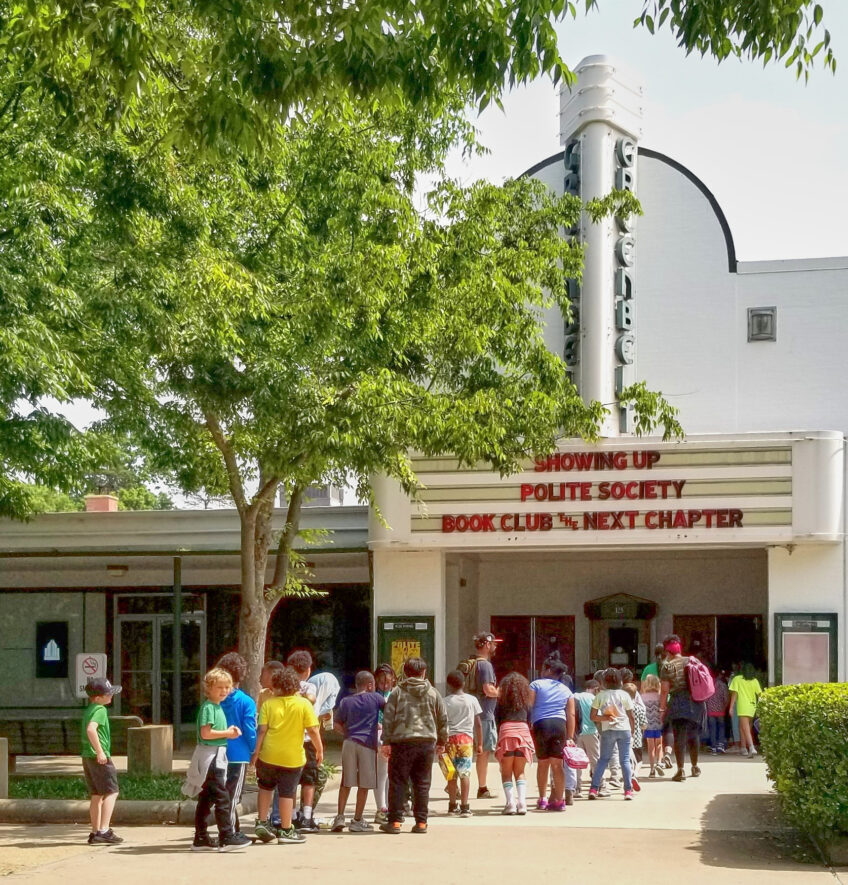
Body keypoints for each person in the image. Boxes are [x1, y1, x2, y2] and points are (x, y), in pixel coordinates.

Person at [252, 665, 323, 845]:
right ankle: (286, 830)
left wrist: (256, 752)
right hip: (292, 758)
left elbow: (262, 730)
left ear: (275, 686)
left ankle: (262, 822)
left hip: (268, 755)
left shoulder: (268, 704)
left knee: (265, 787)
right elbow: (313, 730)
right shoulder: (303, 704)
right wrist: (319, 750)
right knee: (287, 792)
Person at [380, 656, 448, 835]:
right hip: (426, 743)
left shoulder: (397, 692)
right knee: (422, 783)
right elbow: (442, 718)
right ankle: (421, 823)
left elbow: (388, 718)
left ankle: (395, 822)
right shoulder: (433, 693)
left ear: (405, 672)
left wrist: (386, 742)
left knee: (398, 783)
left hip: (401, 742)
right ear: (424, 672)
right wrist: (442, 741)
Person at [186, 668, 251, 851]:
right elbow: (205, 733)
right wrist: (227, 733)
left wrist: (227, 732)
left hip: (214, 755)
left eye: (227, 687)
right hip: (211, 757)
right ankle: (226, 836)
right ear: (209, 688)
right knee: (222, 797)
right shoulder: (209, 707)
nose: (224, 691)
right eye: (219, 687)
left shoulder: (215, 706)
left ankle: (201, 837)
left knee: (206, 798)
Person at [331, 670, 385, 833]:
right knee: (365, 783)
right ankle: (357, 820)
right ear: (370, 685)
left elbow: (336, 724)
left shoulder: (346, 701)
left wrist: (347, 733)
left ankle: (340, 817)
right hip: (367, 744)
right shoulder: (376, 698)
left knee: (346, 782)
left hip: (349, 742)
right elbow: (389, 713)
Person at [217, 652, 257, 834]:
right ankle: (230, 832)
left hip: (217, 751)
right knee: (233, 796)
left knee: (222, 794)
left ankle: (230, 828)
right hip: (238, 754)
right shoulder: (246, 701)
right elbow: (249, 729)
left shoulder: (215, 700)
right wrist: (254, 749)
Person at [81, 676, 123, 845]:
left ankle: (95, 831)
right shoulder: (100, 710)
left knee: (97, 794)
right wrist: (100, 752)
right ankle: (104, 830)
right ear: (98, 698)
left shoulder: (90, 709)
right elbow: (91, 729)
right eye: (107, 694)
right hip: (99, 756)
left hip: (87, 756)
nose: (111, 695)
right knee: (112, 792)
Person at [529, 657, 576, 810]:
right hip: (559, 726)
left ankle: (542, 799)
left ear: (548, 670)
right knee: (557, 765)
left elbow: (529, 706)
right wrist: (570, 736)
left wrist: (527, 725)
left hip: (541, 724)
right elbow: (571, 714)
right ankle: (560, 801)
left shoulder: (536, 684)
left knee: (543, 763)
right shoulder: (566, 690)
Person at [660, 634, 706, 782]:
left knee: (679, 736)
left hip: (678, 702)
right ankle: (695, 766)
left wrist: (662, 709)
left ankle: (680, 770)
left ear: (667, 650)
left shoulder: (667, 666)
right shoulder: (691, 660)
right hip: (696, 701)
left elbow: (665, 690)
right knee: (694, 735)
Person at [588, 668, 637, 800]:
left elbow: (592, 716)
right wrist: (632, 731)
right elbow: (631, 716)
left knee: (603, 760)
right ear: (620, 681)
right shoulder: (625, 695)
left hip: (608, 730)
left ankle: (594, 788)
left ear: (604, 682)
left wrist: (605, 718)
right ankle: (628, 791)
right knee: (624, 760)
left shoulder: (600, 696)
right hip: (624, 729)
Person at [287, 650, 320, 831]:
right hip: (307, 740)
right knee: (309, 779)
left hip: (290, 739)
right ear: (308, 670)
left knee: (292, 779)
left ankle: (291, 816)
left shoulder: (286, 688)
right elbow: (312, 699)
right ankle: (306, 816)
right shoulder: (309, 686)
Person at [494, 671, 535, 816]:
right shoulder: (526, 703)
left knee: (506, 773)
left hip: (506, 732)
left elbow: (497, 721)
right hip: (523, 733)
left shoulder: (501, 703)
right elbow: (529, 720)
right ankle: (522, 803)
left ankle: (510, 803)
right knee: (520, 772)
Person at [443, 669, 482, 817]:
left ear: (448, 685)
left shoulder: (445, 701)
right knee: (465, 773)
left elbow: (441, 723)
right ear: (464, 683)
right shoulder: (472, 700)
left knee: (451, 774)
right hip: (466, 740)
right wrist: (480, 743)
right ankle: (465, 806)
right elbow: (478, 724)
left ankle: (452, 806)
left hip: (449, 740)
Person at [466, 631, 501, 799]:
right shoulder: (486, 665)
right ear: (487, 644)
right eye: (493, 643)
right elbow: (488, 690)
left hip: (470, 714)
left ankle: (453, 785)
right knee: (483, 752)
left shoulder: (472, 662)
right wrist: (502, 692)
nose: (495, 646)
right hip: (484, 715)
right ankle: (482, 788)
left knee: (464, 751)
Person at [572, 678, 607, 797]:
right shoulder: (594, 699)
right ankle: (600, 786)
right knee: (595, 761)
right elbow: (598, 717)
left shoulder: (574, 696)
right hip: (591, 732)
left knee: (576, 762)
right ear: (595, 689)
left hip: (576, 733)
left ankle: (577, 788)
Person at [373, 663, 396, 823]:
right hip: (379, 738)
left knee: (391, 775)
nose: (385, 685)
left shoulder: (395, 695)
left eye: (388, 681)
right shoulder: (374, 696)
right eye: (382, 682)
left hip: (395, 737)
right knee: (381, 774)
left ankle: (390, 805)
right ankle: (381, 807)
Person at [728, 662, 763, 757]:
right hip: (752, 707)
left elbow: (734, 694)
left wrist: (731, 707)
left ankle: (751, 747)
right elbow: (760, 695)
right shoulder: (755, 681)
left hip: (742, 707)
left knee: (745, 728)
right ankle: (743, 748)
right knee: (743, 726)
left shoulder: (737, 679)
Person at [640, 673, 665, 777]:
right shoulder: (660, 697)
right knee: (659, 744)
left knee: (650, 747)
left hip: (647, 725)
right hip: (659, 724)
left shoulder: (642, 697)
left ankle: (652, 770)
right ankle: (659, 762)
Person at [706, 668, 729, 754]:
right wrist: (724, 707)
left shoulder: (708, 685)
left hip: (710, 710)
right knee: (721, 728)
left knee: (712, 728)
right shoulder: (723, 685)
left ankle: (713, 747)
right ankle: (720, 745)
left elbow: (705, 698)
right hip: (720, 710)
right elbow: (726, 698)